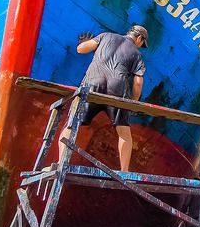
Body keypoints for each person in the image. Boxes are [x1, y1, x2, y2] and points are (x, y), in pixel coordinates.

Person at [59, 25, 148, 172]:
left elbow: (81, 49)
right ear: (139, 38)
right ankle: (124, 173)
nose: (140, 46)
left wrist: (89, 44)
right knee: (124, 132)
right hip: (117, 90)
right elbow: (138, 82)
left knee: (71, 124)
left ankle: (61, 162)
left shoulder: (106, 35)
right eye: (141, 44)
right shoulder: (137, 54)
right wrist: (134, 102)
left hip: (92, 83)